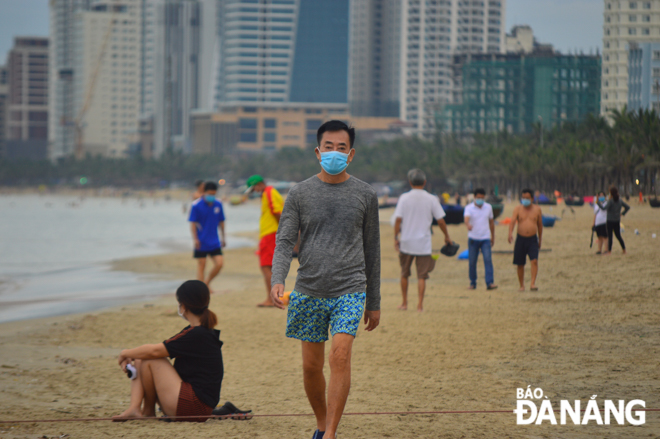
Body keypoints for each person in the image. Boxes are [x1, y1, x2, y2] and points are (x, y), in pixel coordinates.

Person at [269, 120, 380, 439]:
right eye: (328, 147)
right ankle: (321, 424)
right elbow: (284, 239)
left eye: (341, 148)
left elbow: (372, 249)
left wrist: (374, 302)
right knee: (311, 367)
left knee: (340, 355)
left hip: (350, 289)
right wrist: (278, 278)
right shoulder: (300, 193)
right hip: (308, 289)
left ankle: (330, 433)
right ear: (318, 152)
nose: (334, 152)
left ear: (352, 153)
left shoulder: (365, 194)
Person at [113, 280, 223, 422]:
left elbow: (155, 351)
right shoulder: (199, 332)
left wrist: (124, 353)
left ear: (183, 305)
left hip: (195, 407)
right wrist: (133, 355)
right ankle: (140, 410)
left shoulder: (197, 334)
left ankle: (142, 410)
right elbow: (155, 350)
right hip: (194, 405)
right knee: (143, 357)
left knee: (151, 357)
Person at [393, 169, 452, 312]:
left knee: (404, 274)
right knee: (421, 276)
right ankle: (420, 305)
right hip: (424, 243)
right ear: (425, 183)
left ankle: (404, 303)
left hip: (406, 241)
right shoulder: (432, 199)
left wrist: (396, 237)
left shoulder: (404, 198)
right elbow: (441, 221)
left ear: (410, 182)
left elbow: (398, 219)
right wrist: (446, 236)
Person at [246, 174, 284, 307]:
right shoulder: (268, 193)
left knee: (266, 267)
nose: (255, 191)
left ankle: (271, 299)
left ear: (259, 184)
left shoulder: (269, 192)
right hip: (269, 234)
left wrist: (283, 230)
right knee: (268, 267)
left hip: (270, 234)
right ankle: (273, 298)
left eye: (254, 188)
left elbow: (276, 212)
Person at [189, 182, 226, 291]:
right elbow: (193, 224)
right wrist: (195, 239)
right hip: (201, 241)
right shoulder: (196, 205)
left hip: (214, 241)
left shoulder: (218, 204)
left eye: (213, 194)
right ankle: (202, 290)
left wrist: (223, 237)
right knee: (202, 266)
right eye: (209, 193)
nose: (211, 196)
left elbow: (222, 221)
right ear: (204, 192)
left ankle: (206, 283)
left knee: (219, 263)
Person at [508, 189, 543, 291]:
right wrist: (510, 233)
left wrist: (540, 240)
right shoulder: (517, 209)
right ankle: (521, 285)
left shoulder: (537, 209)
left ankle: (532, 283)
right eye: (523, 198)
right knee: (520, 263)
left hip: (532, 239)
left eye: (527, 198)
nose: (525, 200)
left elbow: (540, 225)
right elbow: (513, 221)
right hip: (520, 238)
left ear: (532, 198)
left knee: (534, 261)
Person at [464, 188, 497, 290]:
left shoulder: (488, 207)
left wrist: (493, 236)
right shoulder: (469, 208)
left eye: (482, 198)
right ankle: (473, 282)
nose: (480, 200)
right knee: (472, 261)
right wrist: (468, 224)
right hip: (473, 238)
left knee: (487, 260)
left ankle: (489, 282)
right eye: (478, 198)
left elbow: (491, 222)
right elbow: (466, 219)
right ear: (474, 197)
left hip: (485, 238)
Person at [600, 186, 630, 255]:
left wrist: (598, 203)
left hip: (610, 220)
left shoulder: (611, 201)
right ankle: (624, 250)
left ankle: (609, 251)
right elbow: (627, 207)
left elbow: (604, 208)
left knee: (610, 236)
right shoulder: (619, 200)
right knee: (618, 236)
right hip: (617, 220)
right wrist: (622, 213)